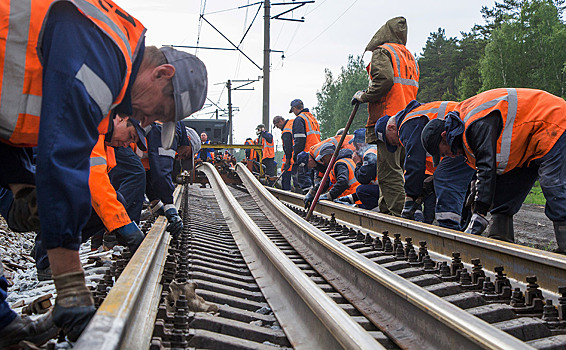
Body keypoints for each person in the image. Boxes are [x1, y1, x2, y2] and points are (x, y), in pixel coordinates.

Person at [0, 0, 208, 342]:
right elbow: (63, 156)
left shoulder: (109, 62)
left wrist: (19, 184)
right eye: (158, 112)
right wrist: (70, 284)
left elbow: (17, 112)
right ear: (161, 74)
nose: (147, 122)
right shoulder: (103, 52)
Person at [421, 88, 566, 254]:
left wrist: (480, 214)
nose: (450, 156)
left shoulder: (474, 125)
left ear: (445, 135)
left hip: (554, 122)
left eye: (444, 152)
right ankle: (501, 246)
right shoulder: (463, 130)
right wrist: (477, 190)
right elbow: (486, 171)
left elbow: (487, 167)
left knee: (554, 187)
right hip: (528, 144)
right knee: (503, 197)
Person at [351, 16, 419, 217]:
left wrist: (364, 96)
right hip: (409, 117)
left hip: (388, 120)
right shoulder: (408, 56)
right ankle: (386, 210)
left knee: (389, 171)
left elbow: (384, 81)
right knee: (394, 168)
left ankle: (399, 216)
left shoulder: (384, 52)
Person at [376, 101, 475, 227]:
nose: (396, 145)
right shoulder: (418, 115)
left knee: (446, 177)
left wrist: (410, 198)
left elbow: (415, 162)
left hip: (459, 135)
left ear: (391, 128)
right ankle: (464, 227)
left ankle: (449, 228)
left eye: (390, 140)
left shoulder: (407, 124)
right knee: (458, 182)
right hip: (469, 131)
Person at [145, 122, 193, 239]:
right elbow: (161, 173)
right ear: (188, 140)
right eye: (185, 154)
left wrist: (155, 202)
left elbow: (144, 174)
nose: (180, 157)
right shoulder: (169, 132)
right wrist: (169, 206)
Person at [338, 128, 380, 210]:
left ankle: (379, 210)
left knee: (361, 190)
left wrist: (358, 162)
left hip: (385, 189)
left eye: (354, 144)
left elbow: (363, 178)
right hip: (386, 187)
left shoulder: (369, 153)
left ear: (359, 144)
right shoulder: (375, 150)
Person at [290, 99, 321, 191]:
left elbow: (299, 140)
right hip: (316, 152)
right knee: (312, 180)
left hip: (306, 154)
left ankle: (307, 200)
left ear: (295, 108)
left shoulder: (299, 119)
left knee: (304, 181)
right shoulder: (312, 118)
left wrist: (296, 155)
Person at [273, 115, 295, 191]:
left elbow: (288, 147)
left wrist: (287, 161)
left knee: (291, 179)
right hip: (299, 154)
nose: (278, 128)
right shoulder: (292, 122)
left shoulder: (286, 131)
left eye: (277, 125)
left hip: (293, 158)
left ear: (280, 121)